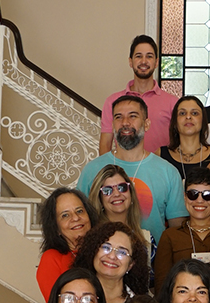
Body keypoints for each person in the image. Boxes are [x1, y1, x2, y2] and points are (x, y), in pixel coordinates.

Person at [79, 96, 185, 246]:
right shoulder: (92, 170)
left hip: (154, 262)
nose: (125, 123)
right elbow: (81, 222)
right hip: (104, 261)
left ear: (146, 124)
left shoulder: (168, 172)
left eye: (133, 116)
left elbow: (177, 230)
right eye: (118, 117)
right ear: (113, 124)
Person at [98, 34, 178, 157]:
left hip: (159, 171)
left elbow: (179, 144)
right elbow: (105, 144)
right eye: (138, 56)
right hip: (123, 172)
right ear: (130, 61)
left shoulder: (172, 103)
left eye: (149, 56)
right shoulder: (113, 101)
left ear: (156, 62)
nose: (144, 61)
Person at [153, 167, 210, 286]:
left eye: (207, 195)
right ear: (185, 197)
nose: (199, 200)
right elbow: (162, 283)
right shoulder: (170, 236)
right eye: (192, 194)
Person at [74, 221, 150, 303]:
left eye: (122, 252)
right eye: (106, 247)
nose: (112, 256)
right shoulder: (74, 296)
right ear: (93, 251)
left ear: (130, 264)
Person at [35, 187, 95, 301]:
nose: (76, 218)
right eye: (65, 215)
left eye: (79, 211)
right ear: (56, 228)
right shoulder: (52, 259)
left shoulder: (105, 250)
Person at [158, 95, 210, 180]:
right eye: (182, 113)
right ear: (175, 121)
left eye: (194, 113)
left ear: (203, 120)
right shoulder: (160, 154)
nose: (188, 117)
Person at [87, 163, 149, 245]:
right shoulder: (93, 239)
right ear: (100, 200)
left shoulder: (147, 238)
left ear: (131, 193)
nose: (117, 194)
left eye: (122, 187)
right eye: (107, 190)